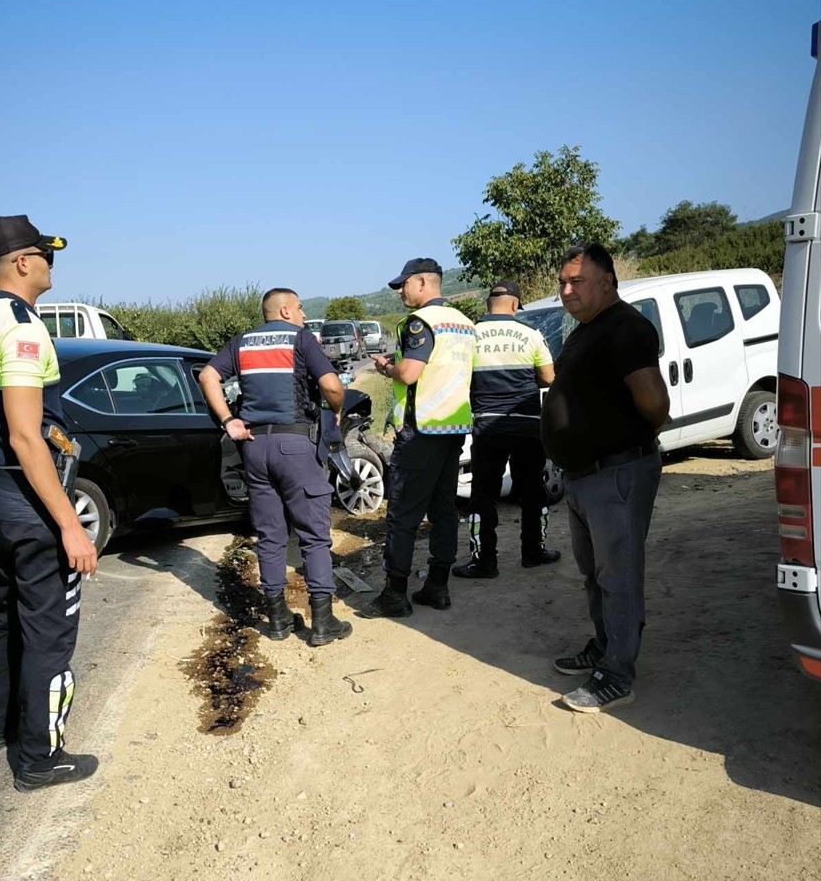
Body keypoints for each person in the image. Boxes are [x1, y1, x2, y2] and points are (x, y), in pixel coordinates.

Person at [0, 215, 99, 791]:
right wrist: (70, 524)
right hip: (24, 493)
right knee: (49, 633)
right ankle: (41, 757)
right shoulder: (21, 327)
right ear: (20, 262)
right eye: (46, 255)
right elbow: (24, 435)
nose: (50, 265)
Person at [541, 243, 670, 713]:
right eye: (562, 283)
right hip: (584, 476)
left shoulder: (627, 328)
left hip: (616, 472)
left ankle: (617, 675)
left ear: (608, 281)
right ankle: (605, 646)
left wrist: (625, 442)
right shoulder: (586, 330)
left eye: (577, 281)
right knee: (595, 574)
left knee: (619, 576)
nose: (566, 290)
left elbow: (654, 402)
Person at [197, 288, 352, 647]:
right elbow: (330, 384)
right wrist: (336, 407)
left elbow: (207, 376)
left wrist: (228, 421)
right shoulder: (300, 338)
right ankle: (323, 623)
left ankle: (279, 619)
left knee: (270, 535)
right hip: (295, 445)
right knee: (313, 535)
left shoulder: (242, 342)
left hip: (254, 446)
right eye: (298, 307)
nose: (301, 313)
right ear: (285, 310)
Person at [361, 258, 477, 618]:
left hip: (422, 431)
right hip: (453, 428)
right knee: (444, 510)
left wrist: (386, 368)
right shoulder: (464, 323)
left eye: (404, 285)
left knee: (403, 514)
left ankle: (395, 595)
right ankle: (437, 587)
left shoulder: (419, 323)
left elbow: (410, 374)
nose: (399, 292)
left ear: (423, 283)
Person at [454, 279, 559, 580]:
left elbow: (463, 378)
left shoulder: (470, 336)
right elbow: (549, 377)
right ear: (514, 305)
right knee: (533, 492)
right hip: (527, 425)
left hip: (487, 427)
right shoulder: (531, 335)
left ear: (489, 303)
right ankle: (533, 553)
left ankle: (484, 561)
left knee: (482, 496)